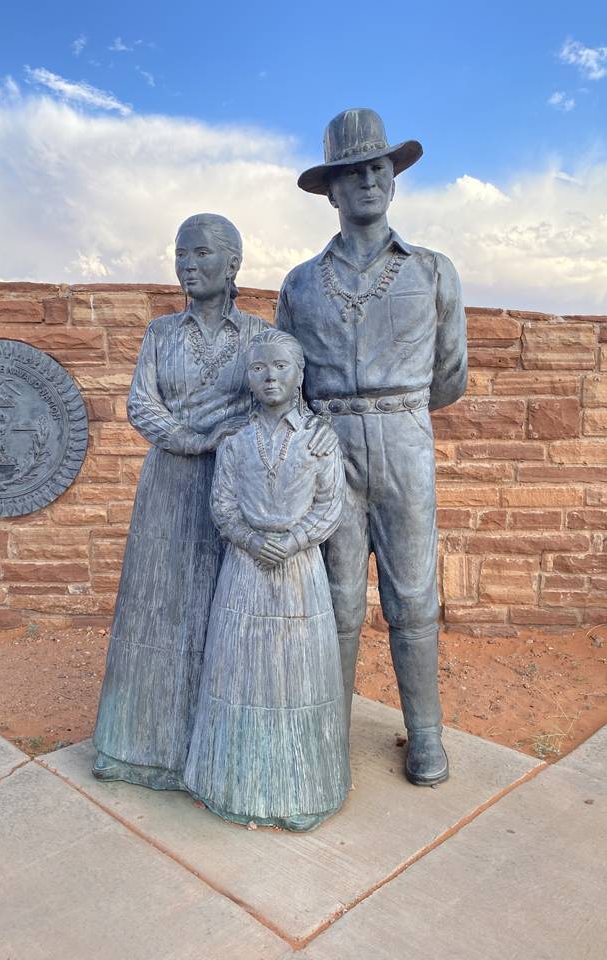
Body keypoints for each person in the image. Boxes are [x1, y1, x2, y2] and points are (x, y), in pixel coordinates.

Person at [276, 108, 468, 786]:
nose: (366, 181)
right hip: (329, 445)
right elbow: (286, 378)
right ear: (330, 190)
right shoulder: (301, 283)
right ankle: (327, 735)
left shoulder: (433, 272)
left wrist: (397, 412)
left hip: (404, 440)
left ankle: (426, 738)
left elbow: (450, 376)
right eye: (351, 172)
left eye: (377, 168)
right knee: (337, 599)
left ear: (394, 178)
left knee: (413, 596)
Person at [92, 214, 269, 789]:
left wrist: (231, 437)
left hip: (234, 484)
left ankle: (219, 755)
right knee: (159, 607)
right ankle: (142, 747)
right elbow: (141, 403)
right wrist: (193, 437)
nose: (187, 266)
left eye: (200, 254)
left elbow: (272, 402)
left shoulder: (259, 335)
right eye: (181, 255)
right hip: (168, 482)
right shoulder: (160, 333)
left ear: (233, 264)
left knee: (226, 609)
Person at [184, 329, 349, 831]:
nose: (269, 376)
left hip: (300, 572)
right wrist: (251, 540)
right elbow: (222, 505)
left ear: (300, 375)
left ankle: (304, 789)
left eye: (280, 366)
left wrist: (295, 540)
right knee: (240, 670)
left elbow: (331, 505)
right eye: (258, 368)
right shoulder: (236, 441)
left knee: (298, 673)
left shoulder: (320, 439)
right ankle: (233, 784)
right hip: (245, 569)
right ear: (248, 378)